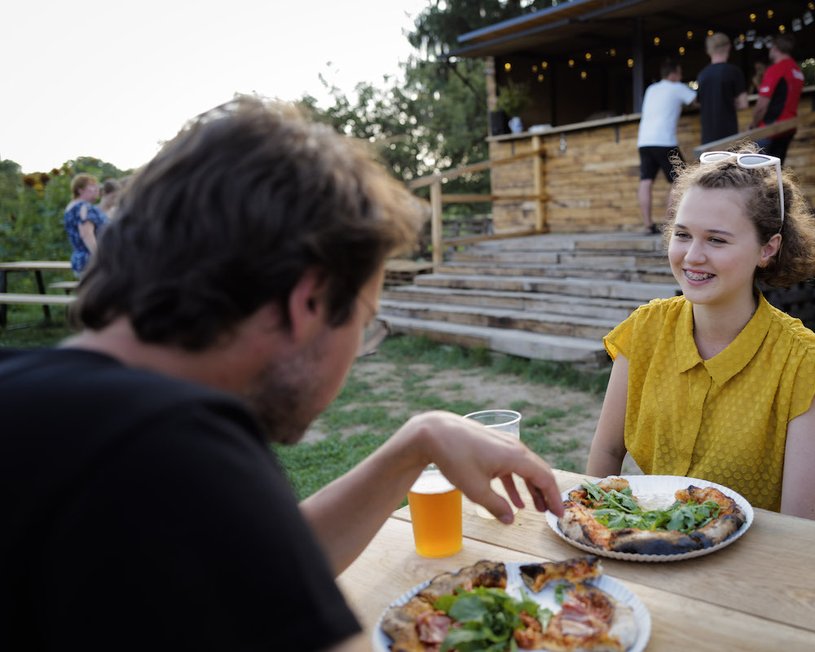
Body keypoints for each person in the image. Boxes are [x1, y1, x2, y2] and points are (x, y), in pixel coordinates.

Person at [0, 96, 565, 650]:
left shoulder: (54, 409)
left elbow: (248, 569)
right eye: (366, 323)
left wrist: (415, 444)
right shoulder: (172, 453)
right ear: (311, 302)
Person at [586, 142, 815, 522]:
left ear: (767, 249)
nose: (692, 256)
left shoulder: (803, 365)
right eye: (683, 234)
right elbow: (607, 455)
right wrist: (592, 531)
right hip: (648, 550)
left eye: (717, 239)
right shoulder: (644, 330)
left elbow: (804, 531)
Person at [636, 59, 697, 235]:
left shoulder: (651, 89)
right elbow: (696, 101)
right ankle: (670, 224)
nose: (681, 76)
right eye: (680, 73)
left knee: (646, 181)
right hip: (665, 141)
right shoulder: (677, 87)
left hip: (644, 141)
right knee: (680, 179)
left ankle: (648, 225)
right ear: (674, 74)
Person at [749, 34, 805, 162]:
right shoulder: (797, 70)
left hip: (771, 128)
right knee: (776, 171)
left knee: (754, 172)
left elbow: (761, 105)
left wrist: (753, 125)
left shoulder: (776, 69)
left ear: (775, 48)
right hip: (789, 127)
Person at [696, 33, 748, 145]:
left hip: (707, 139)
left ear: (709, 50)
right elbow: (743, 104)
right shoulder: (734, 71)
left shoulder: (702, 75)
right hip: (728, 137)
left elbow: (699, 103)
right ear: (728, 47)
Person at [63, 173, 109, 276]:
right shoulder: (84, 207)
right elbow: (87, 235)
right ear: (80, 190)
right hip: (92, 261)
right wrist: (101, 258)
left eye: (96, 185)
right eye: (92, 186)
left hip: (81, 259)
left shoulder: (71, 207)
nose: (97, 188)